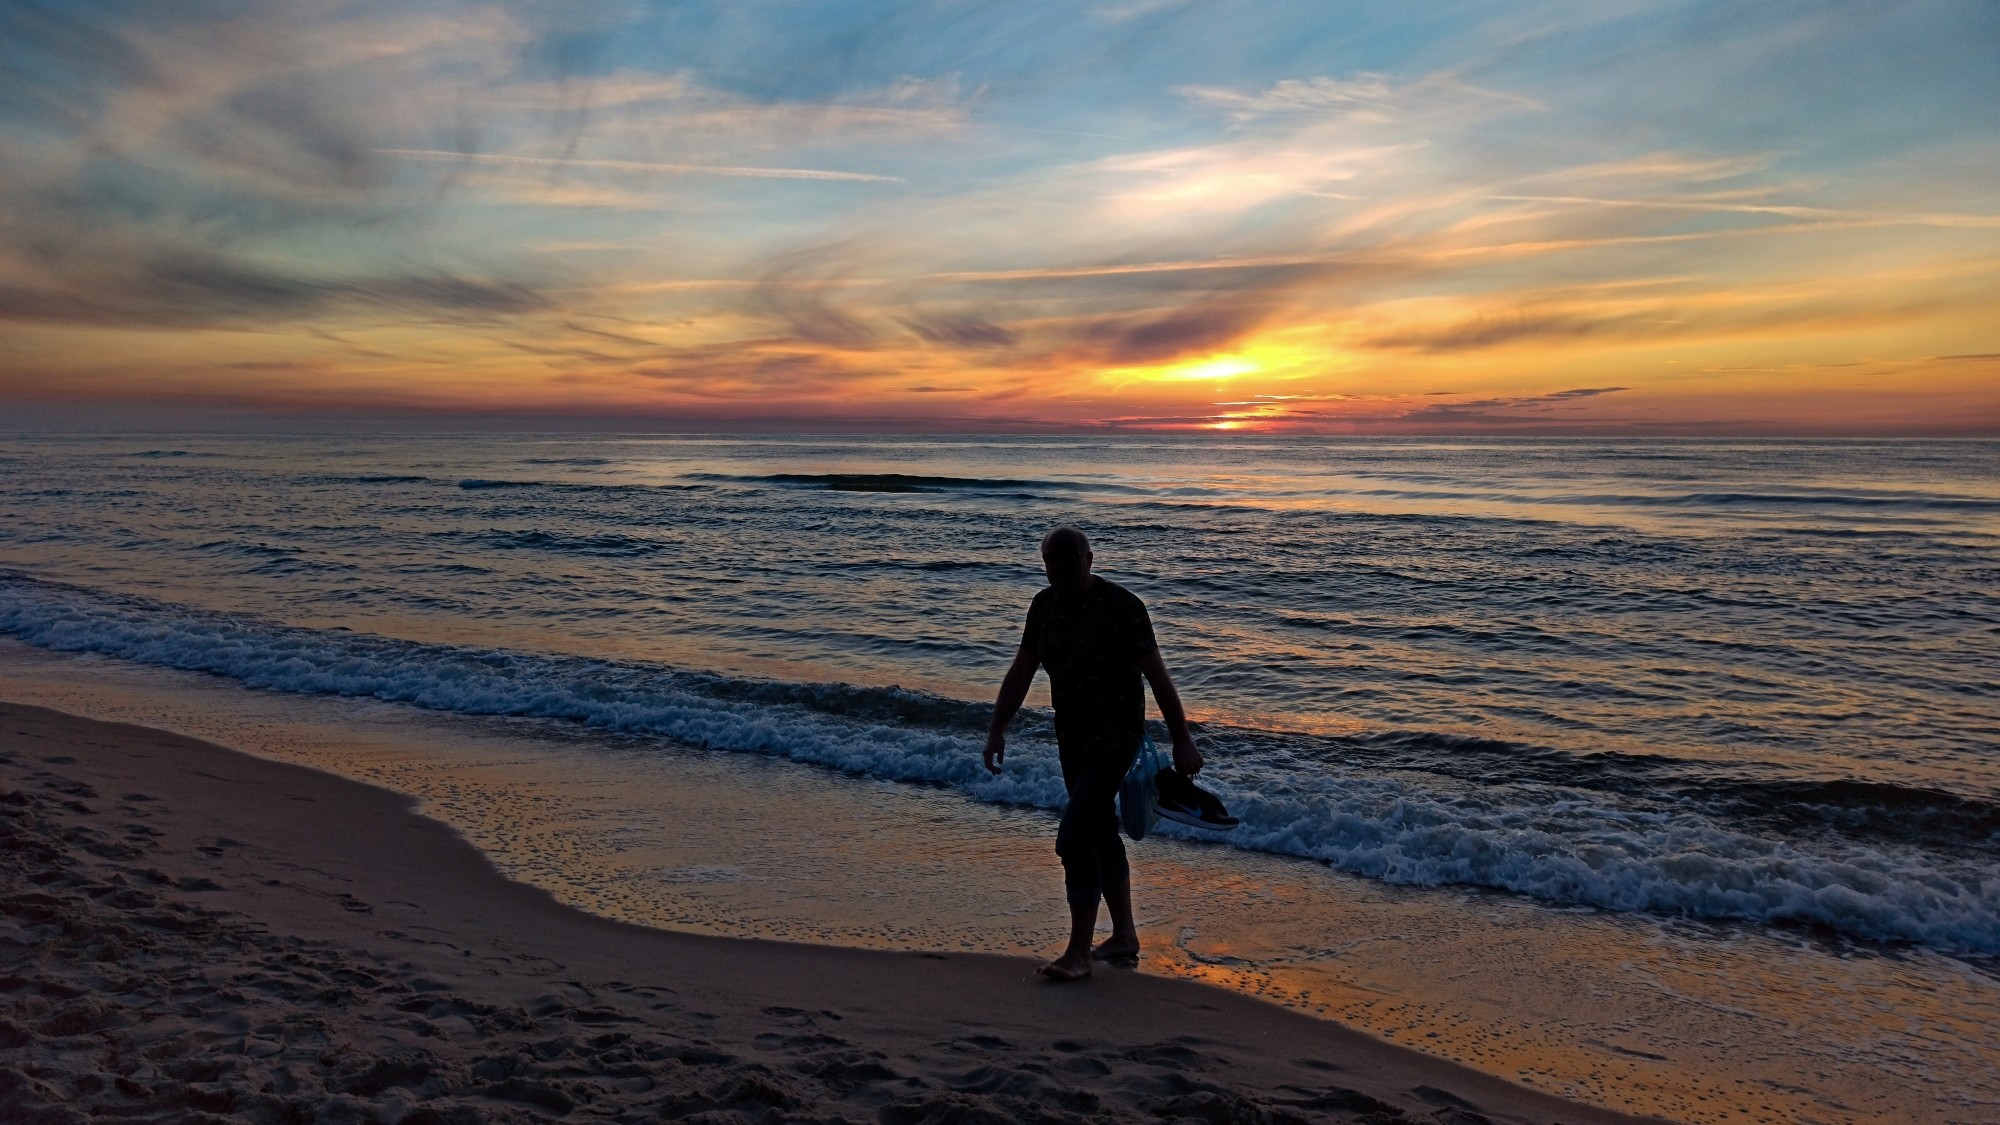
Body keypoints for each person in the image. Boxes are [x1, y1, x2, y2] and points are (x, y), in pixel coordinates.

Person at [984, 525, 1203, 981]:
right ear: (1044, 563)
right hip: (1072, 738)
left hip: (1117, 736)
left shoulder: (1123, 607)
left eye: (1070, 560)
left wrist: (1182, 737)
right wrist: (998, 726)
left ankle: (1079, 954)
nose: (1060, 569)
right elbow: (1022, 670)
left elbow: (1158, 676)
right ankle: (1124, 936)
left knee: (1074, 835)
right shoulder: (1043, 607)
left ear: (1090, 558)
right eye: (1052, 561)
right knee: (1100, 831)